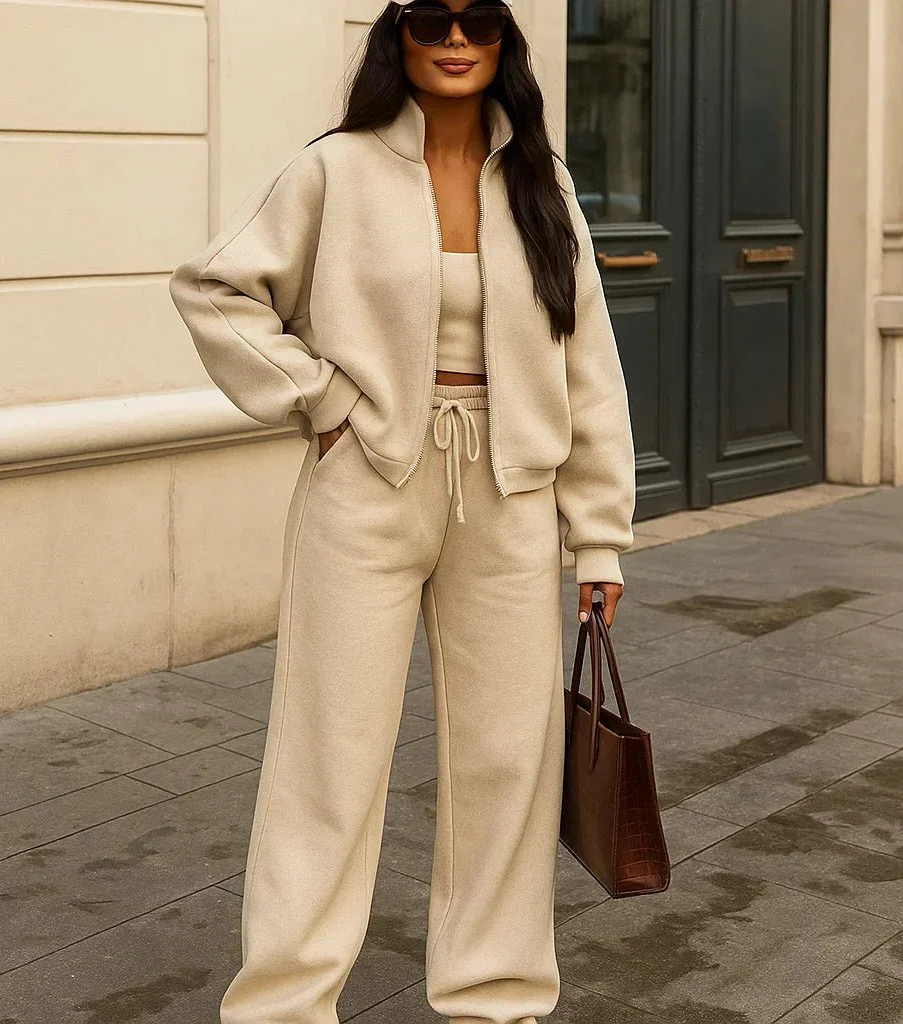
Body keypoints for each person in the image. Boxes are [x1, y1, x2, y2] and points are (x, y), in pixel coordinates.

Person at [168, 1, 636, 1021]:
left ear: (504, 41)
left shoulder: (542, 183)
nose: (455, 37)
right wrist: (325, 399)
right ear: (399, 37)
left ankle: (495, 992)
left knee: (510, 757)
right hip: (369, 479)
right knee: (327, 752)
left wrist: (598, 535)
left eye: (477, 20)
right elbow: (214, 290)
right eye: (432, 18)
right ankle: (285, 1002)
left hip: (511, 494)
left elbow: (587, 366)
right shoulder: (333, 169)